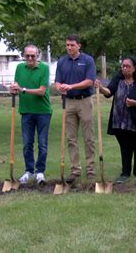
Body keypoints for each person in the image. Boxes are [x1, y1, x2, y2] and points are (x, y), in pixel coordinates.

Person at [95, 56, 136, 183]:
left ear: (134, 68)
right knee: (125, 147)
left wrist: (135, 103)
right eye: (123, 66)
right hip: (119, 121)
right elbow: (108, 92)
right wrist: (100, 87)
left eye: (128, 66)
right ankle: (125, 173)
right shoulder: (117, 80)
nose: (124, 68)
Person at [55, 34, 96, 183]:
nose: (69, 48)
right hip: (68, 102)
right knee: (71, 138)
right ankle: (75, 170)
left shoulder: (87, 60)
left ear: (79, 46)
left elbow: (89, 81)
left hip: (84, 100)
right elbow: (57, 82)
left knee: (88, 138)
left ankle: (91, 169)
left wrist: (71, 86)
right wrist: (60, 88)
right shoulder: (62, 61)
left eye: (72, 45)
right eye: (67, 45)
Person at [9, 44, 52, 185]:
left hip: (43, 112)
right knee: (27, 143)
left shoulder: (44, 68)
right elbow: (16, 87)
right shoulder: (20, 68)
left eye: (33, 55)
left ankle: (40, 172)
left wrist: (22, 90)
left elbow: (41, 91)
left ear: (37, 55)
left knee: (42, 144)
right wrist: (13, 90)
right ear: (23, 55)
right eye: (27, 55)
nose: (30, 58)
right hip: (26, 111)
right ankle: (29, 170)